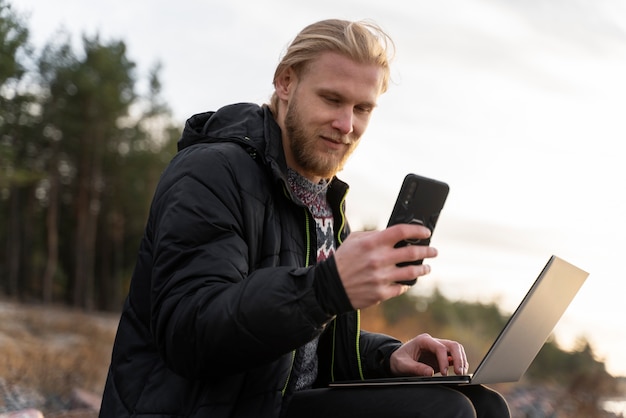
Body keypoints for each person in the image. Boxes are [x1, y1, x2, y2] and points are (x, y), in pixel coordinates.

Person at [99, 19, 511, 418]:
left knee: (483, 403)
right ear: (285, 82)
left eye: (362, 108)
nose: (346, 125)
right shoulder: (211, 172)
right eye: (332, 99)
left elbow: (308, 350)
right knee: (444, 410)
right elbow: (191, 332)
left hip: (280, 404)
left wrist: (387, 359)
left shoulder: (325, 201)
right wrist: (325, 289)